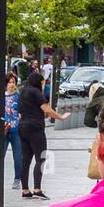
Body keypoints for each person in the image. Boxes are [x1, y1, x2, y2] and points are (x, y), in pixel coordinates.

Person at [18, 71, 66, 199]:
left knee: (26, 160)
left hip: (22, 127)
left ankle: (25, 190)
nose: (42, 84)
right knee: (41, 158)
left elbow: (20, 111)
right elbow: (47, 109)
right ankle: (37, 189)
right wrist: (60, 117)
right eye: (42, 81)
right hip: (35, 128)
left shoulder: (23, 91)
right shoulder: (36, 92)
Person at [2, 71, 22, 189]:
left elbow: (22, 110)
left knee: (18, 155)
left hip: (15, 128)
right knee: (1, 154)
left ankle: (17, 179)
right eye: (9, 82)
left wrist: (20, 115)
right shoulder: (1, 96)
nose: (11, 84)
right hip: (4, 128)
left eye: (13, 82)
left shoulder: (18, 97)